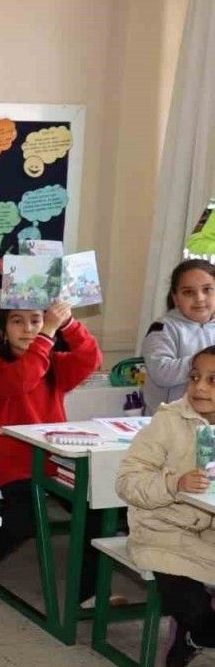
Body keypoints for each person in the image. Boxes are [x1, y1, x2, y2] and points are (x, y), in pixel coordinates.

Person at [0, 302, 107, 603]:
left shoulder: (53, 362)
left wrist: (69, 324)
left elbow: (91, 358)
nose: (28, 329)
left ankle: (88, 593)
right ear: (3, 331)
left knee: (96, 511)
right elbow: (25, 378)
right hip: (15, 467)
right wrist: (47, 334)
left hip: (54, 463)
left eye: (36, 321)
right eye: (17, 321)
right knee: (26, 518)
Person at [117, 344, 215, 666]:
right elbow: (128, 482)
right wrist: (175, 484)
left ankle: (192, 635)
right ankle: (195, 634)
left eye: (213, 380)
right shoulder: (168, 421)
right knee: (189, 601)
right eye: (195, 377)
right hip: (161, 530)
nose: (200, 387)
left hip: (209, 534)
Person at [142, 259, 215, 414]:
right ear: (175, 298)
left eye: (207, 289)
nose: (199, 298)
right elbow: (161, 373)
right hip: (170, 419)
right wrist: (201, 362)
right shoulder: (162, 328)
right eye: (188, 292)